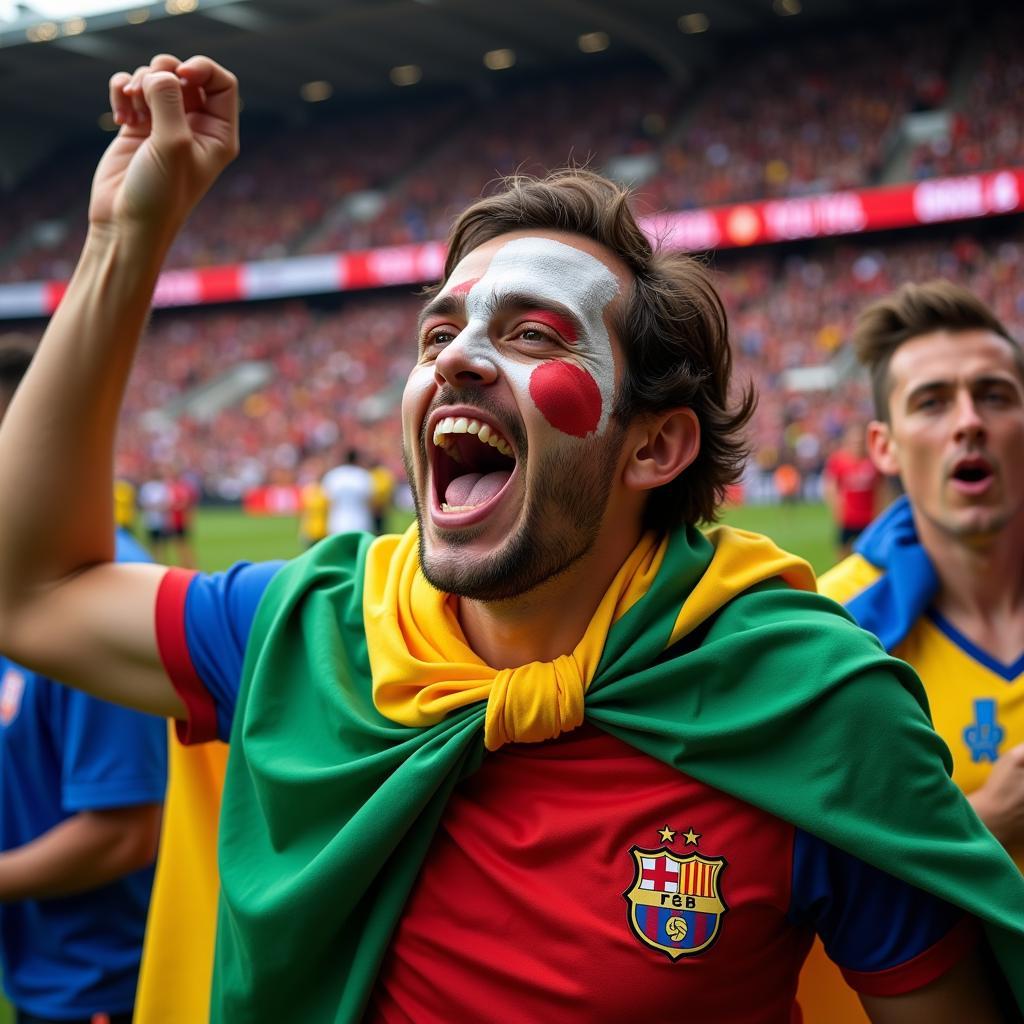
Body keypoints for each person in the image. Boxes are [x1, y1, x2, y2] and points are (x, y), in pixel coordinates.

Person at [0, 55, 1021, 1024]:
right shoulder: (312, 628)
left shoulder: (813, 710)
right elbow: (30, 593)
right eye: (437, 335)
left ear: (655, 445)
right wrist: (120, 242)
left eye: (534, 334)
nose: (457, 362)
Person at [798, 280, 1024, 1022]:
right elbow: (790, 875)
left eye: (994, 395)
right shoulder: (823, 634)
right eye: (932, 401)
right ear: (883, 446)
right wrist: (981, 821)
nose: (969, 422)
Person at [0, 345, 167, 1024]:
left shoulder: (104, 594)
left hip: (104, 987)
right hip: (42, 966)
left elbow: (126, 831)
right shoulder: (20, 581)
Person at [823, 422, 883, 557]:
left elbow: (881, 488)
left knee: (869, 556)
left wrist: (879, 511)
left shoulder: (873, 461)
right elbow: (831, 488)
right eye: (854, 440)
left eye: (861, 440)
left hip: (869, 519)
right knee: (842, 554)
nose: (858, 443)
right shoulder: (839, 461)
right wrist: (836, 510)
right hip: (848, 519)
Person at [321, 447, 375, 535]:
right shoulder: (363, 475)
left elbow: (327, 500)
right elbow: (370, 500)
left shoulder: (334, 475)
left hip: (337, 522)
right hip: (361, 521)